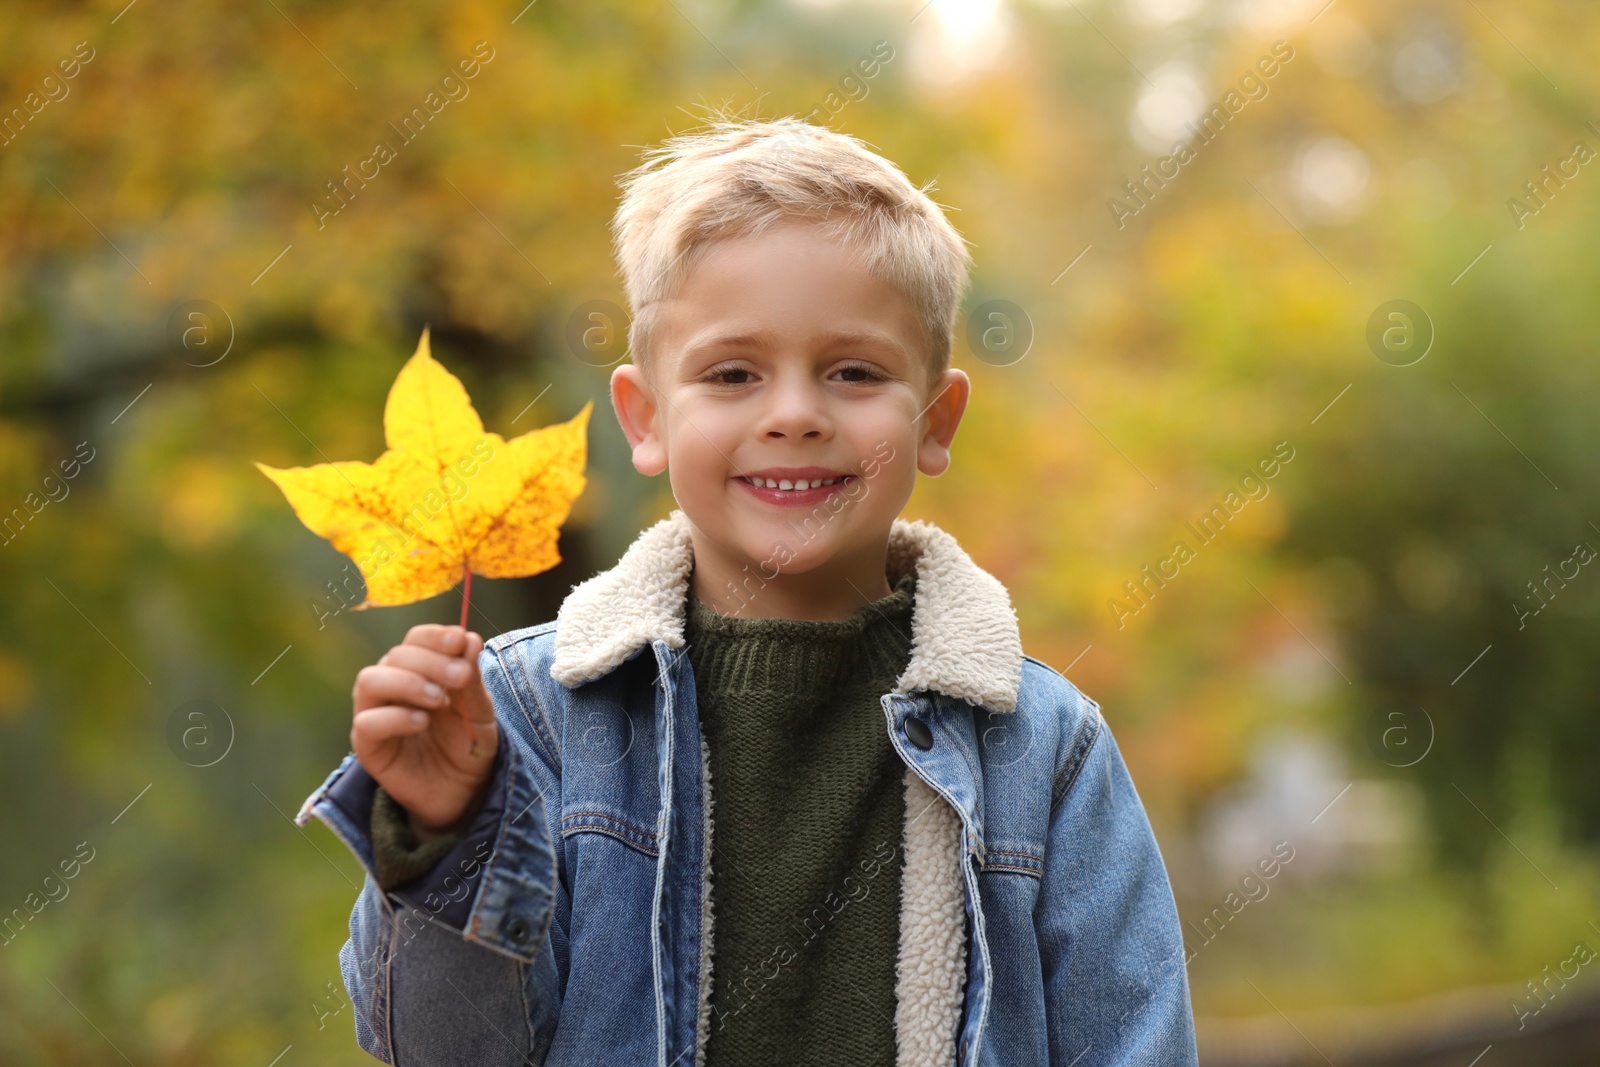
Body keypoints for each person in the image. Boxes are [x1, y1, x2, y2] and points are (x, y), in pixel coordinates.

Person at [294, 112, 1198, 1066]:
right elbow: (443, 1052)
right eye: (733, 373)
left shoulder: (1042, 748)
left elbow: (1134, 1041)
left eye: (853, 371)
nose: (796, 414)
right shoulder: (528, 719)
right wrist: (445, 837)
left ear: (936, 420)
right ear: (646, 419)